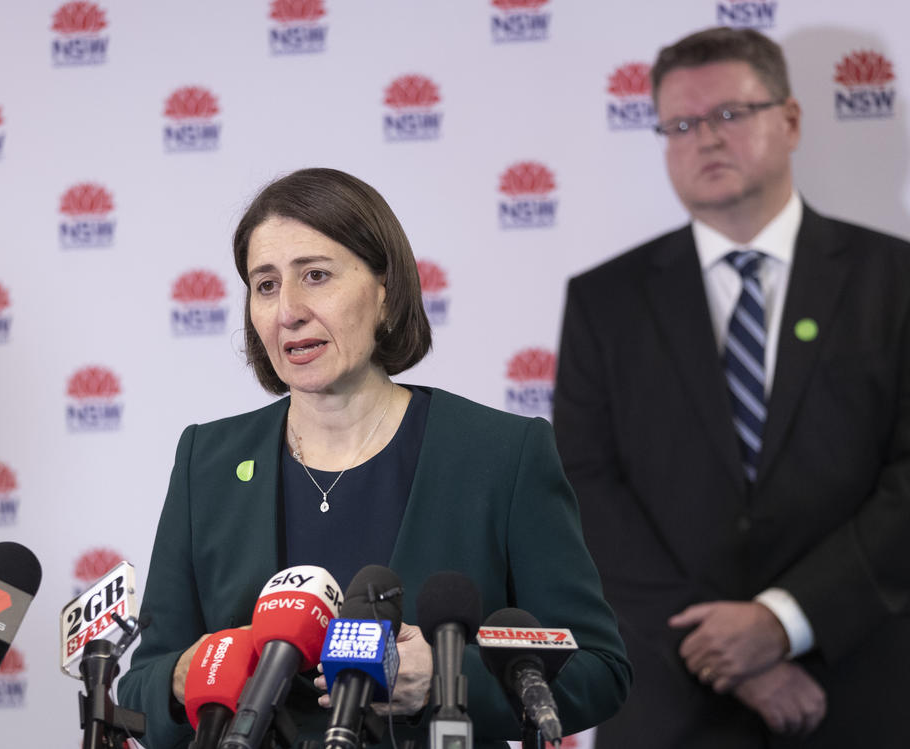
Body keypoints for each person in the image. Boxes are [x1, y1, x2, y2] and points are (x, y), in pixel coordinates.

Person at [118, 167, 630, 748]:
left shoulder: (501, 454)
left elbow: (596, 668)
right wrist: (184, 681)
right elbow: (143, 683)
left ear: (385, 291)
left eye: (315, 276)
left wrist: (445, 684)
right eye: (265, 285)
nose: (288, 310)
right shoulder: (205, 461)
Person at [554, 27, 910, 749]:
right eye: (681, 124)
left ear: (791, 119)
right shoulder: (605, 301)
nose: (705, 140)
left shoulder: (893, 280)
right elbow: (585, 490)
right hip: (669, 696)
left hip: (858, 684)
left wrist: (786, 618)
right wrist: (725, 654)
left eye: (730, 114)